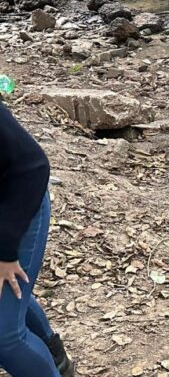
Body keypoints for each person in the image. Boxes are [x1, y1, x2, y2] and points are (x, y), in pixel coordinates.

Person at [0, 102, 74, 377]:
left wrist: (5, 253)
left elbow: (33, 166)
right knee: (10, 297)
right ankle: (55, 359)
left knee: (4, 336)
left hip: (20, 203)